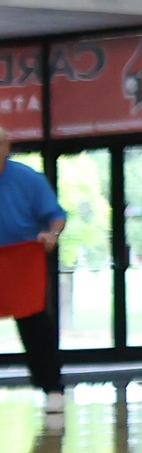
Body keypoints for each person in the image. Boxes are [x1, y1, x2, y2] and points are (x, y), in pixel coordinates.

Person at [0, 133, 67, 419]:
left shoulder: (28, 178)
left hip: (22, 259)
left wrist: (51, 234)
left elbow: (56, 214)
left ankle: (52, 388)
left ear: (6, 147)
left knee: (34, 322)